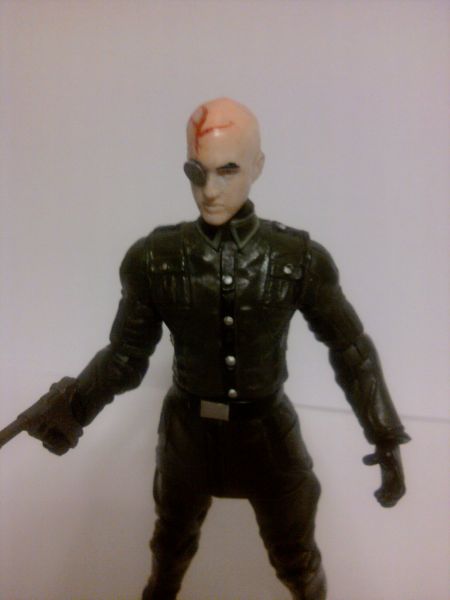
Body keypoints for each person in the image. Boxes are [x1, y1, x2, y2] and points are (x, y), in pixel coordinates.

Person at [26, 98, 410, 600]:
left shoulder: (297, 259)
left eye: (228, 170)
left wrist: (384, 436)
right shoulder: (155, 258)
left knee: (295, 556)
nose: (210, 190)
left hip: (268, 437)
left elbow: (350, 348)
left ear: (258, 166)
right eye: (196, 171)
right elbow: (125, 357)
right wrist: (73, 408)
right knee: (169, 551)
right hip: (188, 437)